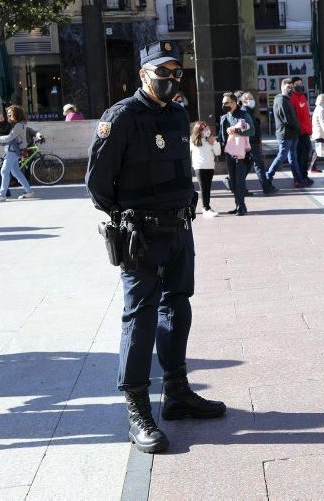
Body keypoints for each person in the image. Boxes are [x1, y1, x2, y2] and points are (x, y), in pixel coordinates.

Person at [85, 41, 226, 454]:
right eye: (161, 72)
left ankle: (178, 392)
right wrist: (129, 217)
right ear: (143, 73)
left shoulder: (179, 114)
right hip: (141, 234)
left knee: (177, 307)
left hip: (179, 229)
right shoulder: (123, 116)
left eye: (175, 72)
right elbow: (97, 182)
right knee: (140, 317)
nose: (169, 79)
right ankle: (138, 409)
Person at [219, 91, 255, 215]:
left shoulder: (244, 115)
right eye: (223, 103)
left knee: (239, 181)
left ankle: (242, 206)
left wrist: (237, 131)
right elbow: (221, 136)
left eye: (226, 103)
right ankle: (237, 205)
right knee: (233, 182)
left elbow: (252, 131)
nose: (224, 105)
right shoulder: (224, 117)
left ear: (234, 103)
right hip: (229, 153)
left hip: (241, 153)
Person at [0, 105, 35, 202]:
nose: (8, 115)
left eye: (10, 113)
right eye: (7, 113)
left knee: (4, 171)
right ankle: (29, 191)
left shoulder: (18, 125)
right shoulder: (18, 124)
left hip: (13, 151)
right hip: (12, 150)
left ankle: (2, 195)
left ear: (16, 113)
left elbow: (9, 137)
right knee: (15, 172)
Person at [266, 78, 305, 187]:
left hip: (292, 134)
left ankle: (298, 179)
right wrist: (298, 127)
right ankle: (268, 175)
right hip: (285, 134)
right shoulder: (281, 100)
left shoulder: (287, 99)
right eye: (288, 87)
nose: (291, 89)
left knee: (292, 157)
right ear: (282, 87)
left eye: (292, 87)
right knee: (282, 155)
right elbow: (286, 119)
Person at [240, 91, 277, 195]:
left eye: (252, 98)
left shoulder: (248, 111)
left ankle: (236, 184)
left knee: (249, 165)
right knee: (259, 165)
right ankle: (266, 187)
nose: (252, 101)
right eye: (250, 98)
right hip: (252, 143)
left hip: (253, 143)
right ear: (244, 101)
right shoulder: (244, 112)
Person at [190, 121, 221, 217]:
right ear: (199, 131)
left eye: (207, 129)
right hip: (199, 167)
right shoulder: (193, 140)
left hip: (210, 167)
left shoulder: (210, 139)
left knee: (207, 188)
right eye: (204, 130)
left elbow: (218, 153)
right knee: (204, 188)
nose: (206, 131)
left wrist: (214, 142)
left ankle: (207, 207)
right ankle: (205, 208)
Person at [289, 77, 316, 180]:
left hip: (306, 130)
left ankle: (303, 175)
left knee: (304, 153)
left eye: (301, 83)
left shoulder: (303, 97)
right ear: (292, 86)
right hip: (299, 131)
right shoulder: (292, 98)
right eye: (297, 84)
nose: (300, 85)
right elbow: (294, 116)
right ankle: (302, 175)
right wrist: (300, 128)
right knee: (302, 154)